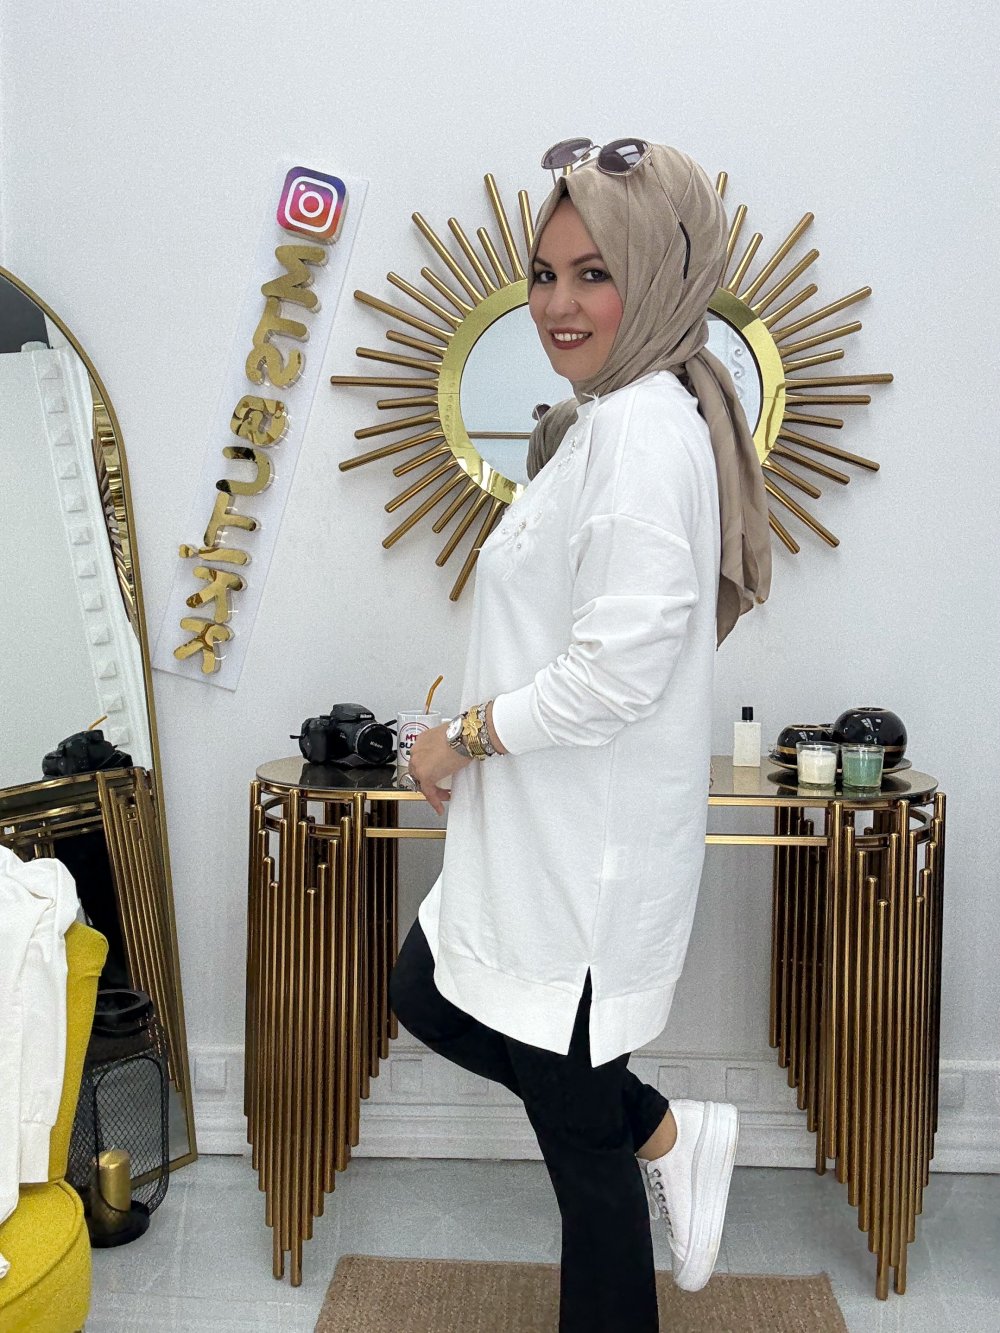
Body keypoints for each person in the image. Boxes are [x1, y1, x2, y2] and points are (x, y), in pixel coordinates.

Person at [389, 137, 772, 1331]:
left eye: (594, 273)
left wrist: (462, 737)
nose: (559, 304)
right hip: (544, 836)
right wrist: (467, 735)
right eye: (546, 274)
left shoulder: (643, 434)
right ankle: (666, 1129)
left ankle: (656, 1142)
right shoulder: (605, 422)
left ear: (656, 275)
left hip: (582, 864)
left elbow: (614, 673)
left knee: (583, 1165)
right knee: (429, 991)